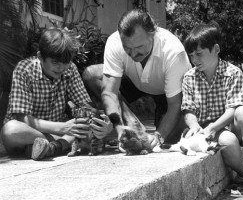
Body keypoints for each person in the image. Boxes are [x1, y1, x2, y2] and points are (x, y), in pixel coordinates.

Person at [181, 22, 243, 198]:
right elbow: (188, 109)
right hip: (207, 131)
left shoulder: (232, 72)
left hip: (227, 123)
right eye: (191, 55)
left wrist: (213, 127)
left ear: (216, 49)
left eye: (199, 54)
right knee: (229, 141)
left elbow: (233, 108)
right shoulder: (189, 77)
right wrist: (193, 124)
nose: (194, 60)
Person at [82, 9, 191, 148]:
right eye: (127, 48)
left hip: (168, 94)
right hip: (134, 81)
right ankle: (131, 122)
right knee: (92, 74)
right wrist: (119, 127)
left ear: (153, 34)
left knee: (170, 140)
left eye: (139, 47)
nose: (133, 53)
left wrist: (158, 136)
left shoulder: (174, 52)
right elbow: (109, 92)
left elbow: (175, 104)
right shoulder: (114, 42)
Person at [0, 27, 112, 161]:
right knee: (10, 130)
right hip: (28, 133)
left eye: (66, 63)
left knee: (87, 127)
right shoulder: (25, 69)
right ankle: (58, 146)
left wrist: (105, 125)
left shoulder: (70, 70)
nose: (62, 68)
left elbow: (86, 106)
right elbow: (22, 118)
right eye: (55, 62)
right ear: (40, 56)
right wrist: (62, 128)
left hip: (58, 133)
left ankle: (47, 148)